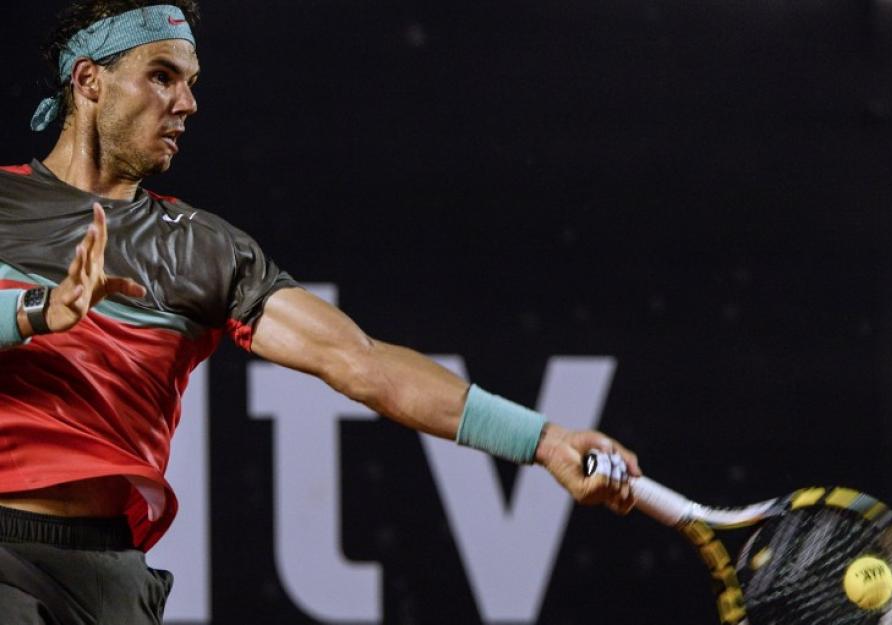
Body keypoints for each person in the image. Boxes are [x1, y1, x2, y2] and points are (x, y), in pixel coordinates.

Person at [0, 1, 640, 623]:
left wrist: (544, 439)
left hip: (114, 577)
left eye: (191, 83)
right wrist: (34, 311)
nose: (187, 103)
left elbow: (363, 364)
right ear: (88, 80)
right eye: (161, 76)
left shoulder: (205, 249)